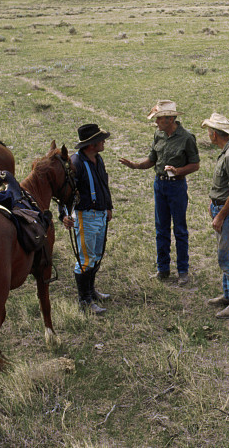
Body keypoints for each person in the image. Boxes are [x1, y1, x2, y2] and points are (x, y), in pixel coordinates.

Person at [120, 100, 200, 286]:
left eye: (159, 119)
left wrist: (179, 171)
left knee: (179, 229)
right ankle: (163, 269)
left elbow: (195, 165)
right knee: (161, 228)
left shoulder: (187, 138)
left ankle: (182, 271)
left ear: (171, 119)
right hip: (160, 185)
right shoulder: (158, 135)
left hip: (176, 187)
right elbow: (152, 160)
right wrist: (136, 166)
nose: (156, 123)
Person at [62, 123, 113, 315]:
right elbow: (65, 192)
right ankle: (84, 300)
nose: (104, 143)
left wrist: (108, 206)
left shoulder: (97, 159)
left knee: (96, 255)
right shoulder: (76, 164)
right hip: (85, 216)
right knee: (85, 259)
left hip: (99, 214)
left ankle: (91, 291)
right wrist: (64, 215)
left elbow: (104, 185)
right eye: (101, 140)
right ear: (91, 144)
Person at [202, 113, 229, 320]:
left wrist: (220, 215)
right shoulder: (228, 150)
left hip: (227, 212)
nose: (208, 135)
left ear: (214, 135)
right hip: (222, 208)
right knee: (225, 255)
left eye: (209, 131)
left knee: (228, 258)